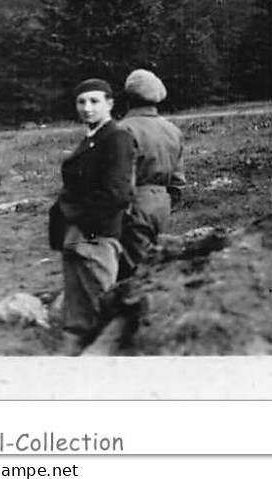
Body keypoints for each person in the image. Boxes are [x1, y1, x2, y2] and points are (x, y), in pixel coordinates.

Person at [48, 78, 135, 352]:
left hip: (96, 234)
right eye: (81, 102)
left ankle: (103, 356)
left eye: (95, 101)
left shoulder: (116, 137)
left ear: (110, 104)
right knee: (77, 304)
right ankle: (75, 349)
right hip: (77, 234)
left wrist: (82, 221)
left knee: (99, 298)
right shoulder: (93, 138)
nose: (87, 108)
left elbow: (117, 193)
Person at [115, 68, 186, 274]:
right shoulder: (172, 130)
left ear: (128, 98)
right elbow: (178, 181)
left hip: (135, 203)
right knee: (156, 262)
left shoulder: (123, 129)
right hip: (162, 204)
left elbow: (122, 177)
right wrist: (165, 202)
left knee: (134, 270)